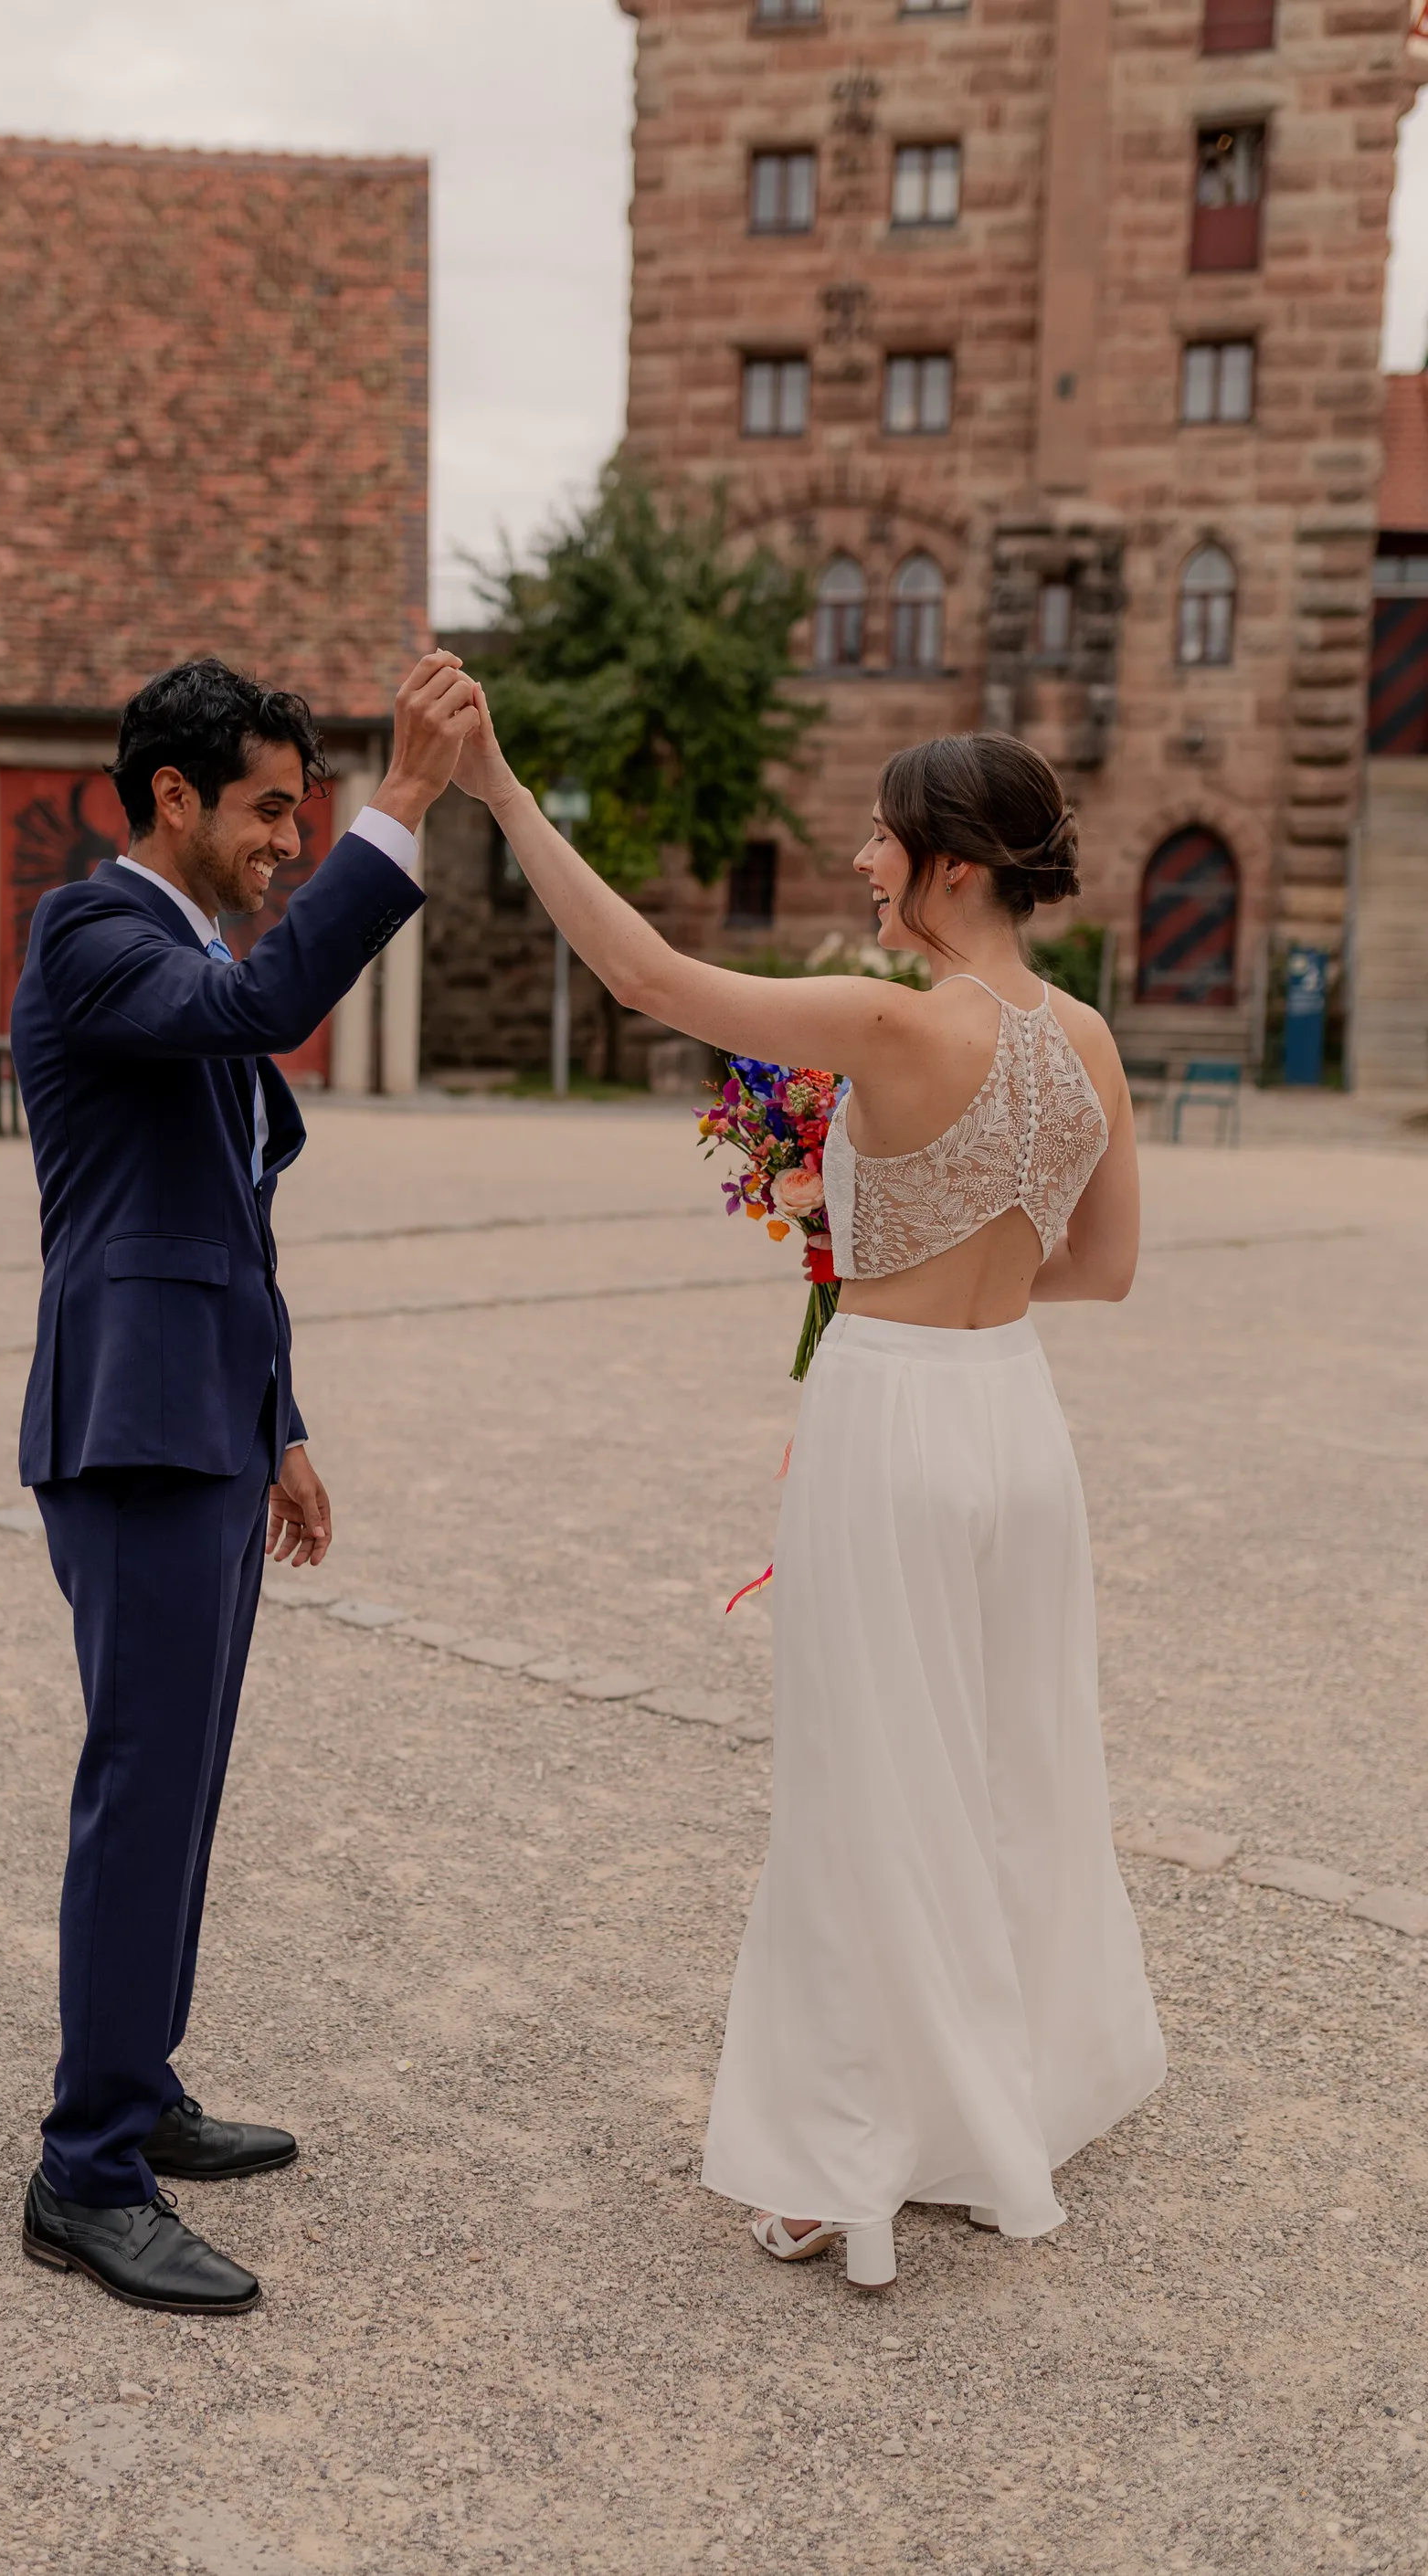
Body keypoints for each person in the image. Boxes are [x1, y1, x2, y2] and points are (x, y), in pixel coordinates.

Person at [451, 709, 1165, 2293]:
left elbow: (644, 976)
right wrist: (947, 1237)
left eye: (881, 836)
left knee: (862, 1779)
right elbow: (1105, 1269)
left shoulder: (892, 1022)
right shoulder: (1090, 1039)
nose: (859, 858)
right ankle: (1007, 2105)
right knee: (1004, 1766)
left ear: (952, 864)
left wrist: (499, 788)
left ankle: (844, 2159)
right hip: (1019, 1423)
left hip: (895, 1421)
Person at [8, 649, 478, 2315]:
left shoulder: (188, 950)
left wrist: (282, 1423)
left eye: (314, 811)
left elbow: (236, 1225)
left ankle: (139, 2081)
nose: (295, 837)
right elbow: (265, 1009)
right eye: (274, 808)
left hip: (207, 1422)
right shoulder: (93, 933)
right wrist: (408, 804)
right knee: (144, 1780)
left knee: (187, 1776)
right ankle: (84, 2171)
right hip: (128, 1423)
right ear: (175, 801)